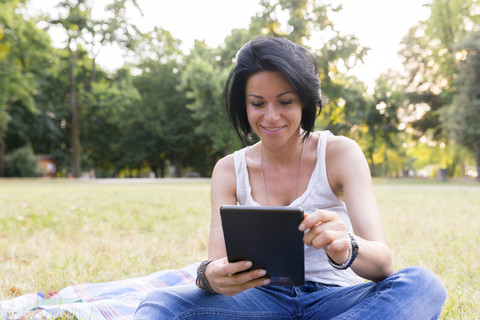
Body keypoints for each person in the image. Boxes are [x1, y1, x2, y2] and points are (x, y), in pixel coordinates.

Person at [134, 36, 447, 319]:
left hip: (337, 300)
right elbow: (217, 266)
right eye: (257, 103)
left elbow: (383, 266)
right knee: (161, 303)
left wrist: (347, 247)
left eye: (285, 102)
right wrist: (209, 275)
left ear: (305, 102)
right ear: (243, 106)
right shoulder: (228, 170)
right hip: (259, 302)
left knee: (423, 285)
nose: (271, 117)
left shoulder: (340, 153)